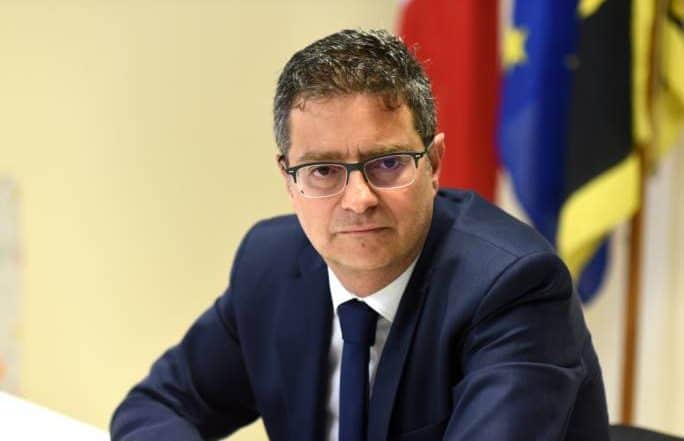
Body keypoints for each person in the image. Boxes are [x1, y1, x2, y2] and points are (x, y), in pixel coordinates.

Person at [110, 29, 610, 441]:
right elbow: (157, 407)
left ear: (434, 164)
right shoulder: (269, 264)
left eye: (388, 163)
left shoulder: (515, 287)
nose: (358, 199)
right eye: (323, 170)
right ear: (289, 179)